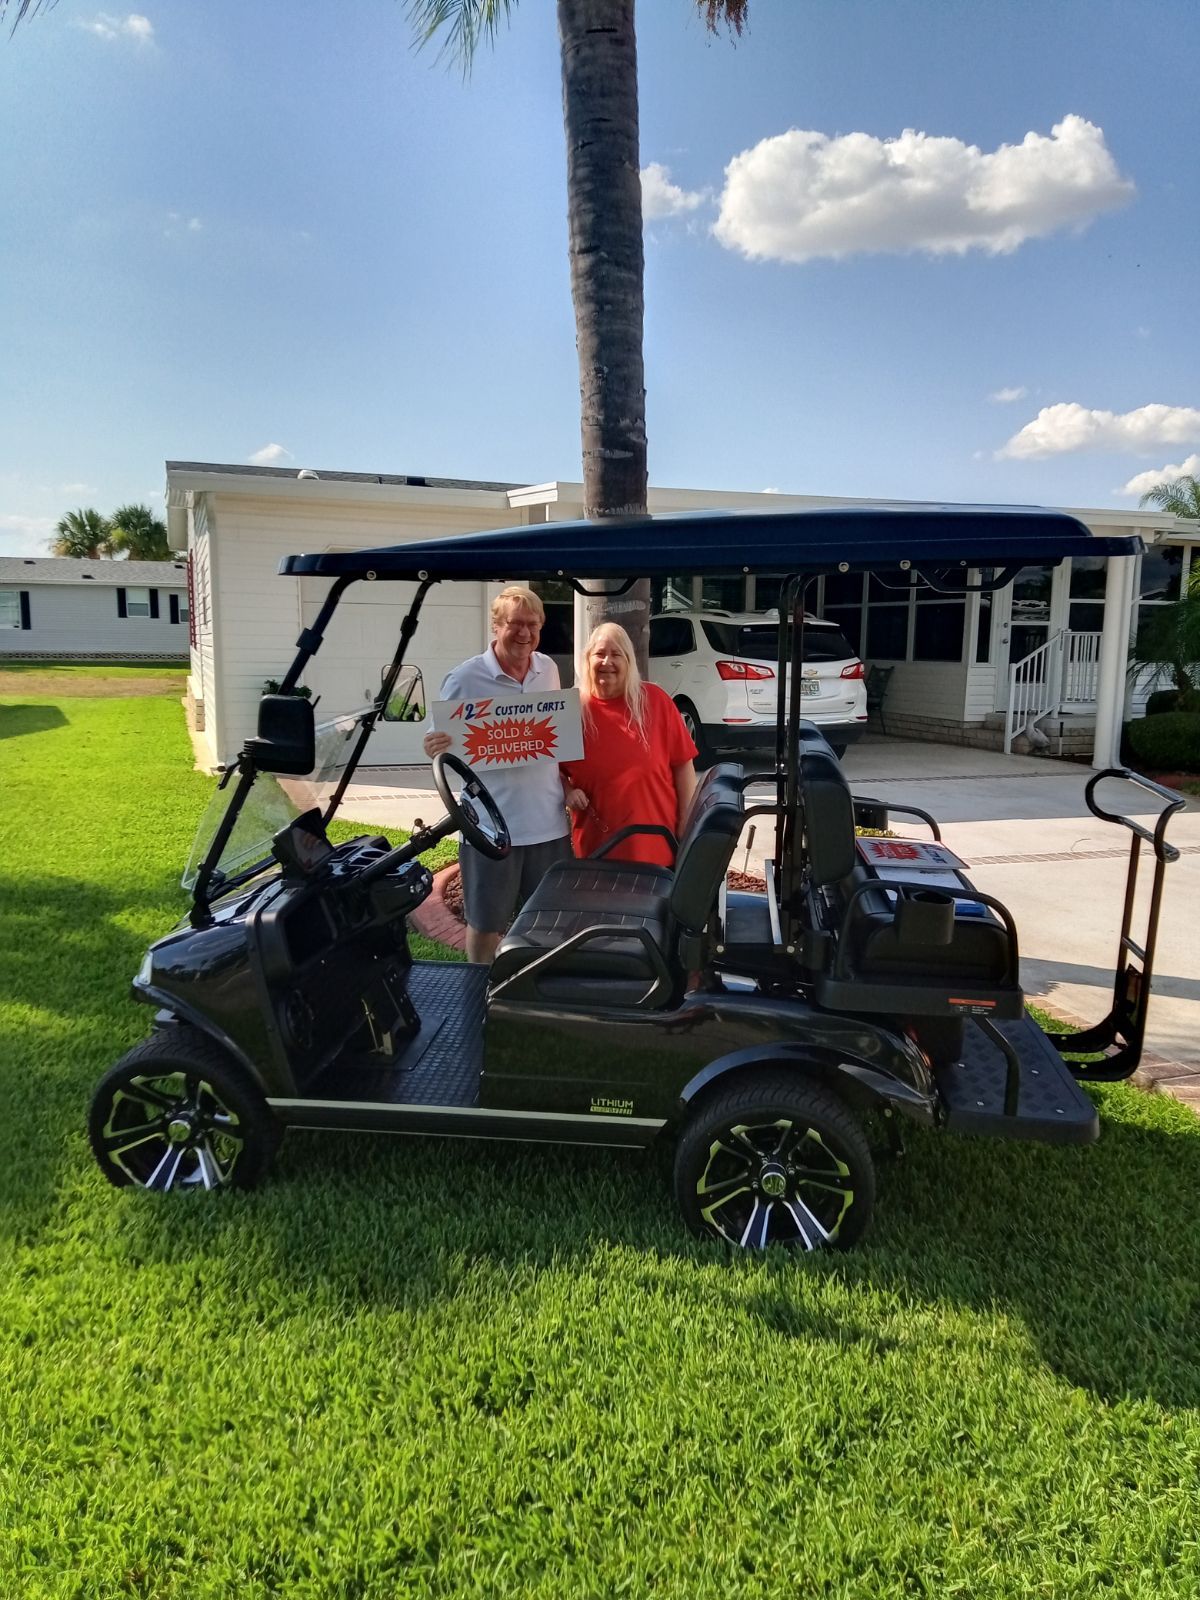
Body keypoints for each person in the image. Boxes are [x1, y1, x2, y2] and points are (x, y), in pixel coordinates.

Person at [423, 586, 572, 964]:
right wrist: (436, 744)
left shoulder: (549, 669)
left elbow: (555, 741)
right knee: (486, 923)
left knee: (546, 922)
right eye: (515, 624)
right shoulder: (465, 678)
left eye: (532, 624)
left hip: (548, 823)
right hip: (490, 827)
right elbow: (438, 740)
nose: (524, 633)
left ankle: (530, 996)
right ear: (496, 626)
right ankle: (478, 993)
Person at [562, 623, 698, 868]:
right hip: (598, 852)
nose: (607, 662)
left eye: (616, 655)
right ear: (587, 659)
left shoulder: (656, 701)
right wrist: (568, 791)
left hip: (658, 849)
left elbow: (683, 765)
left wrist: (685, 824)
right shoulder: (572, 711)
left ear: (629, 661)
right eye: (599, 654)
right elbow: (552, 771)